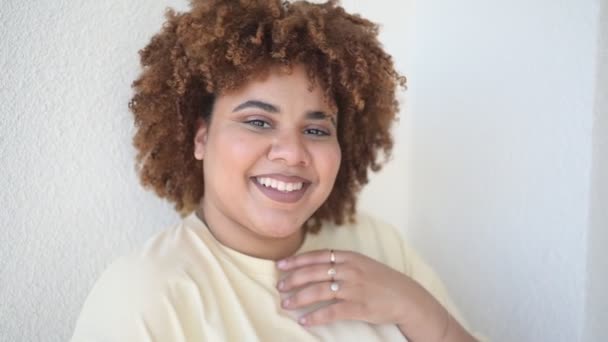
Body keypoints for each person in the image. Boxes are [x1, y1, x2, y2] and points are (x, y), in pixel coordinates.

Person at [72, 0, 484, 340]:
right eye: (258, 121)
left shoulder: (378, 243)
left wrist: (414, 307)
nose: (292, 152)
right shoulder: (145, 295)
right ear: (200, 137)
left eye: (316, 128)